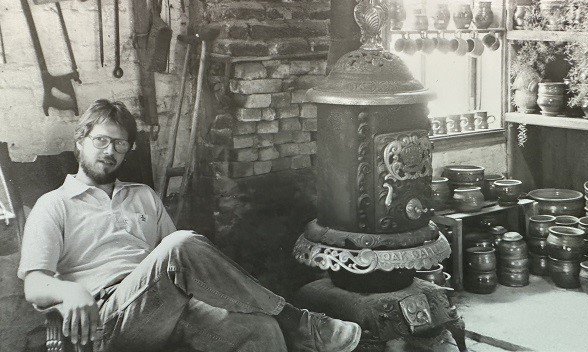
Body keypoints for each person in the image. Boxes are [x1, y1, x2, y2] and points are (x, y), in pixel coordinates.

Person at [18, 99, 361, 352]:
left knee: (261, 330)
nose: (110, 151)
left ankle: (281, 321)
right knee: (180, 245)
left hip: (165, 306)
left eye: (120, 144)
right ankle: (298, 321)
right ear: (81, 142)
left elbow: (185, 268)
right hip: (108, 322)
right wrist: (69, 290)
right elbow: (34, 284)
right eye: (101, 141)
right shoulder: (54, 205)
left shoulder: (143, 196)